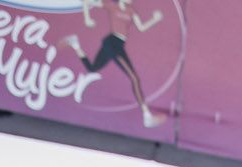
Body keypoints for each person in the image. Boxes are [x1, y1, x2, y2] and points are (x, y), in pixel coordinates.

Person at [64, 0, 167, 128]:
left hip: (117, 44)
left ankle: (75, 44)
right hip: (113, 43)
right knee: (134, 78)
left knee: (92, 68)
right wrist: (87, 18)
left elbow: (141, 28)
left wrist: (154, 19)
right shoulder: (111, 6)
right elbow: (87, 1)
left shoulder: (131, 10)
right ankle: (147, 116)